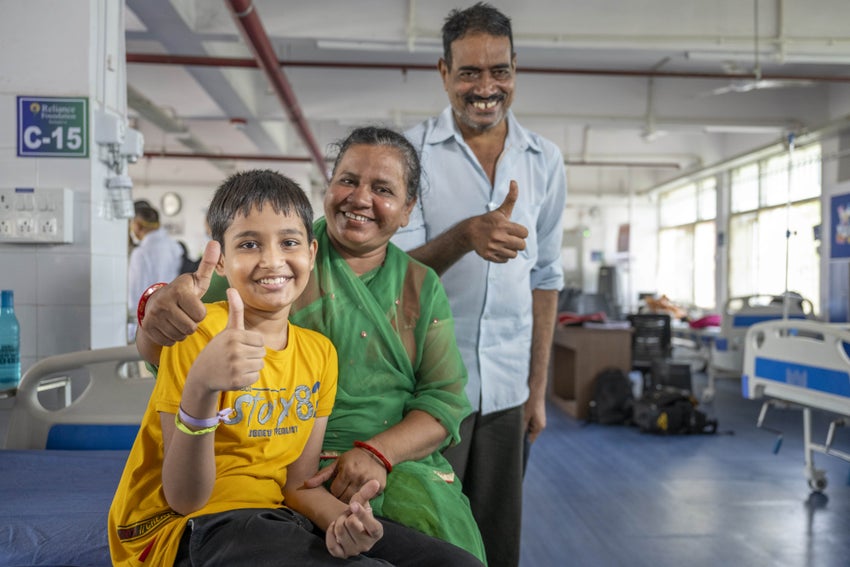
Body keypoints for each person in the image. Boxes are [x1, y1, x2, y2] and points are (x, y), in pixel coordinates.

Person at [133, 128, 486, 565]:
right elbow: (175, 335)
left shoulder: (407, 292)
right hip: (235, 495)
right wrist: (156, 307)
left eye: (382, 189)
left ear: (408, 209)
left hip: (370, 473)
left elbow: (444, 400)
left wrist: (376, 457)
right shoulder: (261, 267)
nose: (360, 198)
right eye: (349, 180)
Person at [392, 4, 567, 566]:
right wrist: (466, 235)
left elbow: (545, 279)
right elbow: (392, 279)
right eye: (469, 72)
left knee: (496, 545)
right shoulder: (408, 155)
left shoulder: (545, 160)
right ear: (444, 73)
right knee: (430, 540)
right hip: (430, 396)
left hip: (508, 395)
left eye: (499, 70)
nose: (485, 87)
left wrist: (536, 390)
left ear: (515, 68)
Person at [127, 201, 183, 342]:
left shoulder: (141, 253)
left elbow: (136, 297)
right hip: (174, 322)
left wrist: (132, 332)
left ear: (138, 225)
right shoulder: (175, 247)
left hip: (147, 326)